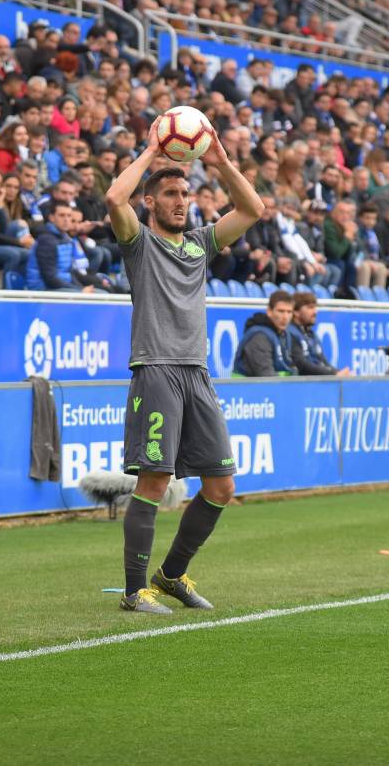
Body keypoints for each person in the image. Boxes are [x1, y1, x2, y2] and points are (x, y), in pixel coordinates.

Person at [104, 121, 263, 614]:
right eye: (170, 193)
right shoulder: (139, 244)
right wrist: (152, 151)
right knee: (154, 481)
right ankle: (134, 591)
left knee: (221, 485)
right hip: (155, 369)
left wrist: (217, 157)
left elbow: (253, 209)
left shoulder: (199, 244)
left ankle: (171, 575)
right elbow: (114, 199)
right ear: (150, 201)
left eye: (185, 193)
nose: (181, 200)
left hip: (197, 372)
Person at [232, 290, 299, 377]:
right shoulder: (259, 337)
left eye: (289, 312)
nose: (285, 317)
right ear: (269, 311)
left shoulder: (284, 334)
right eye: (281, 311)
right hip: (246, 389)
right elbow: (266, 375)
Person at [287, 291, 351, 376]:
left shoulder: (311, 334)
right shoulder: (291, 333)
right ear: (296, 312)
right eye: (310, 308)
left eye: (315, 308)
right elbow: (302, 365)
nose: (315, 312)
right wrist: (333, 374)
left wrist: (338, 372)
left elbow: (323, 362)